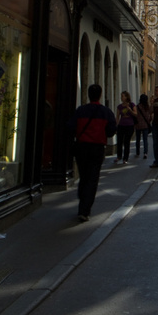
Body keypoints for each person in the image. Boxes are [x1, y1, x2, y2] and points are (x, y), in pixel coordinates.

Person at [69, 84, 116, 222]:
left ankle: (82, 201)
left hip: (82, 147)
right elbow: (111, 131)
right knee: (92, 178)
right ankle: (85, 209)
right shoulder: (106, 112)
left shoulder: (80, 111)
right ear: (100, 95)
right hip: (97, 148)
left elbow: (71, 127)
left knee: (83, 176)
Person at [115, 91, 137, 164]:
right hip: (121, 125)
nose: (121, 98)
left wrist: (130, 110)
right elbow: (117, 116)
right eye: (121, 96)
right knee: (119, 141)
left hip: (129, 125)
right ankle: (119, 156)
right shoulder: (119, 107)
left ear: (127, 97)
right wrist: (117, 125)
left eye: (123, 96)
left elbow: (135, 114)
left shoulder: (131, 105)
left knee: (126, 142)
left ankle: (125, 158)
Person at [134, 93, 152, 159]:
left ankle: (137, 152)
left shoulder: (137, 107)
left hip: (138, 125)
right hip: (145, 125)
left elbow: (135, 116)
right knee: (145, 140)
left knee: (138, 139)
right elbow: (149, 117)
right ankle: (145, 153)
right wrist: (148, 122)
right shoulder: (147, 107)